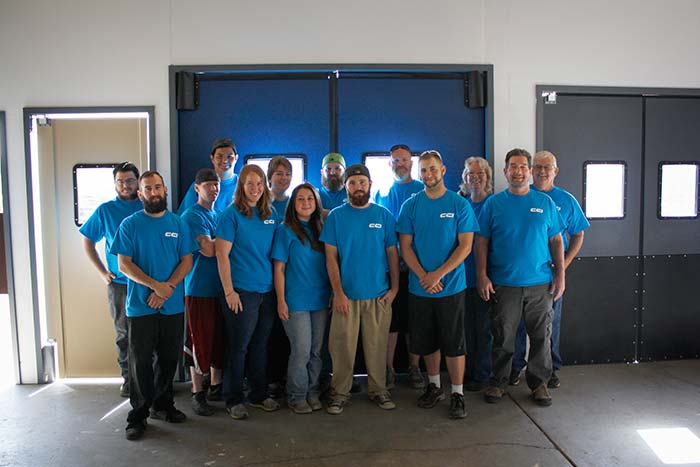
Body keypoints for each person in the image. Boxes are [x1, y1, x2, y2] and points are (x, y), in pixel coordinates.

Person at [476, 148, 565, 407]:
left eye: (523, 166)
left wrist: (560, 275)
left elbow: (556, 240)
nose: (518, 171)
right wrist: (482, 275)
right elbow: (481, 242)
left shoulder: (545, 203)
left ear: (530, 171)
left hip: (540, 284)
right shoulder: (493, 204)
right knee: (502, 337)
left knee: (541, 337)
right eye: (513, 167)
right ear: (505, 172)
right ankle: (499, 382)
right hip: (504, 284)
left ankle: (539, 384)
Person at [111, 170, 196, 441]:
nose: (154, 192)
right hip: (140, 307)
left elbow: (186, 261)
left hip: (172, 306)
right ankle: (138, 415)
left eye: (157, 187)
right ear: (140, 194)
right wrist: (154, 286)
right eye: (148, 188)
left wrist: (166, 287)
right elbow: (124, 264)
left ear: (165, 190)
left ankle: (163, 405)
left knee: (169, 359)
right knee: (140, 363)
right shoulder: (130, 224)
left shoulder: (178, 224)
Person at [397, 150, 479, 419]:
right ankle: (434, 387)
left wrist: (438, 275)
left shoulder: (459, 204)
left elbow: (466, 246)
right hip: (420, 287)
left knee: (454, 342)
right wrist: (424, 276)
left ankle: (457, 393)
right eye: (423, 170)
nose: (428, 174)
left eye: (432, 169)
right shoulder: (410, 206)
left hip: (451, 287)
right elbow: (405, 247)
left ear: (443, 170)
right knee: (428, 341)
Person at [320, 164, 399, 415]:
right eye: (353, 183)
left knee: (376, 347)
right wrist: (338, 292)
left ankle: (378, 390)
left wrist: (395, 288)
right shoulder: (336, 217)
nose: (358, 187)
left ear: (370, 185)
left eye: (362, 182)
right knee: (342, 348)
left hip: (378, 295)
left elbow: (392, 254)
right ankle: (339, 393)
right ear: (346, 187)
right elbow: (330, 257)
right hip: (346, 297)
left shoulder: (383, 215)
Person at [510, 150, 590, 388]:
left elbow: (578, 234)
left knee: (549, 326)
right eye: (538, 167)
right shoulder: (520, 195)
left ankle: (551, 369)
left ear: (556, 171)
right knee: (517, 325)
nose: (542, 171)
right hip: (521, 275)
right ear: (531, 170)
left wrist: (564, 264)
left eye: (547, 167)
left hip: (551, 277)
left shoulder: (566, 200)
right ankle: (515, 367)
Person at [215, 164, 282, 420]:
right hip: (241, 291)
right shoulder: (230, 215)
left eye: (259, 183)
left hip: (267, 290)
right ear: (241, 186)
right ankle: (233, 399)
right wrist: (229, 292)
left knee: (260, 345)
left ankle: (258, 394)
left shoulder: (271, 214)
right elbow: (221, 255)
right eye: (250, 183)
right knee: (238, 347)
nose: (255, 188)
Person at [79, 162, 142, 398]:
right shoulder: (106, 210)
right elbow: (88, 240)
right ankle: (128, 380)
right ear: (115, 184)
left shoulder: (148, 205)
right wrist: (103, 272)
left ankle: (153, 383)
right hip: (120, 285)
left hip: (147, 284)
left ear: (137, 182)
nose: (125, 186)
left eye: (130, 181)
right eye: (120, 182)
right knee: (124, 335)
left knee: (150, 335)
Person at [272, 183, 330, 414]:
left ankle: (313, 392)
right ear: (293, 204)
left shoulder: (322, 228)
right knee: (301, 350)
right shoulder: (285, 230)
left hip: (320, 299)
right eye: (300, 199)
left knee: (317, 351)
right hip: (295, 301)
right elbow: (279, 269)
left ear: (316, 202)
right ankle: (297, 395)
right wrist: (281, 300)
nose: (306, 203)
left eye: (310, 199)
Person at [372, 144, 425, 390]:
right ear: (389, 163)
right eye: (395, 160)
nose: (400, 164)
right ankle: (388, 369)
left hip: (417, 269)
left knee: (415, 321)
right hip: (387, 268)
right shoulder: (381, 192)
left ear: (411, 163)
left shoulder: (422, 190)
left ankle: (414, 367)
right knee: (389, 322)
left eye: (404, 159)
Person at [180, 168, 225, 416]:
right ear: (197, 188)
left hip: (221, 288)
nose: (213, 189)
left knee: (219, 340)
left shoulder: (218, 215)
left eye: (216, 184)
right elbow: (208, 249)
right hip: (199, 289)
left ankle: (216, 386)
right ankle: (197, 391)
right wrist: (233, 239)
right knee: (198, 341)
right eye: (208, 185)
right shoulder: (192, 216)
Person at [458, 157, 494, 392]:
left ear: (487, 177)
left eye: (480, 173)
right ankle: (465, 373)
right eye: (471, 173)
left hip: (487, 279)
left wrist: (485, 276)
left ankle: (483, 375)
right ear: (465, 178)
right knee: (464, 330)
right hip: (460, 279)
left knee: (484, 330)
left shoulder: (495, 203)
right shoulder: (460, 203)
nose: (475, 177)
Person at [177, 137, 239, 214]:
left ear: (236, 158)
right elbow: (183, 218)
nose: (225, 160)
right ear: (212, 158)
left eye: (229, 156)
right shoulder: (200, 186)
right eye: (219, 156)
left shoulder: (244, 186)